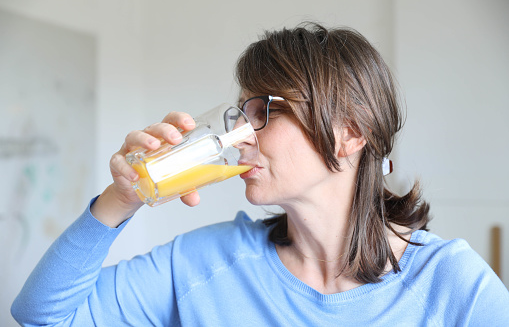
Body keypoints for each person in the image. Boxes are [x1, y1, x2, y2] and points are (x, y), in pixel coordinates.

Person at [11, 23, 509, 326]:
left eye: (263, 112)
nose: (237, 136)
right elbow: (43, 317)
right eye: (241, 114)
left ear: (350, 134)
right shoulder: (206, 262)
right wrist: (123, 197)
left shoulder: (450, 286)